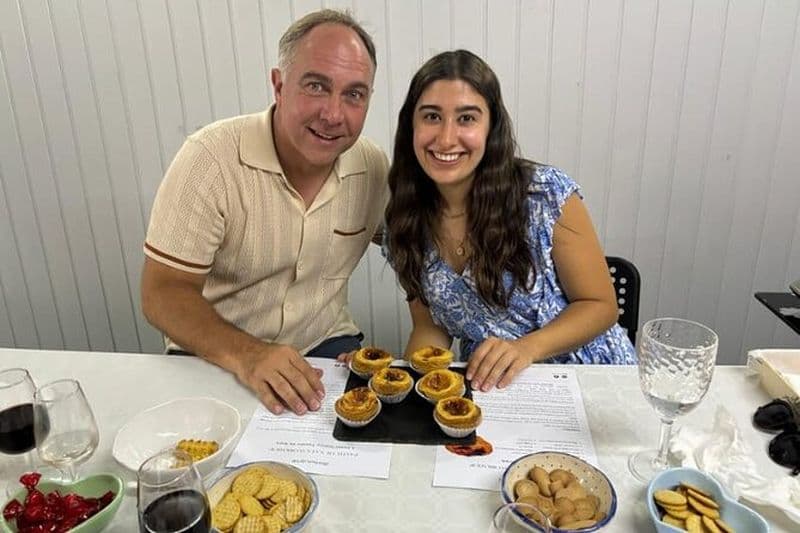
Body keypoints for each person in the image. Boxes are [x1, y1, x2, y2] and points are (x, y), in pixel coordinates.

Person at [140, 10, 388, 416]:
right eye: (316, 86)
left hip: (326, 346)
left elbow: (420, 249)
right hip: (217, 353)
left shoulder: (373, 167)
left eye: (354, 94)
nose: (333, 114)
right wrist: (250, 356)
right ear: (278, 85)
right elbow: (162, 293)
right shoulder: (209, 158)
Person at [383, 50, 636, 392]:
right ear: (410, 125)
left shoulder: (545, 194)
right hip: (497, 388)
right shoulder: (405, 215)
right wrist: (403, 384)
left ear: (491, 128)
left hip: (592, 381)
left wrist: (525, 349)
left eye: (467, 118)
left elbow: (601, 306)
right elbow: (431, 330)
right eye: (431, 116)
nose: (445, 138)